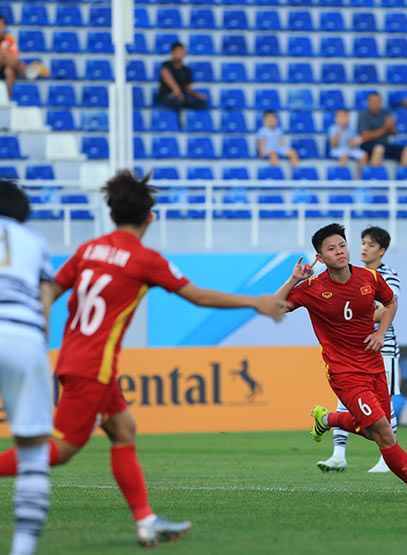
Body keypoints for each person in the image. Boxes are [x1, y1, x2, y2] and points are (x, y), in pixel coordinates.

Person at [0, 171, 289, 547]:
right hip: (95, 367)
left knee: (124, 429)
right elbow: (198, 297)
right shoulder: (145, 259)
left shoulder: (88, 250)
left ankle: (146, 520)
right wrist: (256, 301)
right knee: (61, 450)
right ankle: (145, 520)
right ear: (149, 218)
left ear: (112, 213)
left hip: (74, 356)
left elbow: (50, 291)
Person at [276, 223, 407, 503]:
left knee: (376, 433)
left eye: (342, 245)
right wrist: (294, 279)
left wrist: (380, 333)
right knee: (385, 434)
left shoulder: (369, 278)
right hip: (345, 373)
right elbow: (274, 307)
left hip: (375, 367)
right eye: (331, 249)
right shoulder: (312, 288)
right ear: (320, 256)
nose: (339, 252)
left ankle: (327, 418)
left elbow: (391, 304)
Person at [317, 226, 401, 473]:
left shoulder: (386, 275)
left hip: (382, 348)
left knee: (385, 406)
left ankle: (387, 456)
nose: (365, 248)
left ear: (382, 251)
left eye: (371, 245)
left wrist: (354, 317)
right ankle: (338, 454)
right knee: (347, 400)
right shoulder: (352, 274)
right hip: (352, 350)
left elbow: (388, 308)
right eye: (363, 243)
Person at [0, 181, 54, 555]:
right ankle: (22, 549)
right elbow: (45, 304)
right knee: (33, 452)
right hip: (23, 334)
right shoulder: (35, 242)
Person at [358, 92, 407, 168]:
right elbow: (366, 136)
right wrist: (385, 128)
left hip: (385, 144)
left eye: (377, 101)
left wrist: (391, 126)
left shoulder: (386, 114)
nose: (375, 104)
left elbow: (394, 133)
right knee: (379, 149)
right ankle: (376, 177)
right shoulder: (363, 115)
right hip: (368, 145)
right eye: (373, 102)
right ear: (368, 103)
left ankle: (404, 177)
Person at [0, 16, 45, 101]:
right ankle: (25, 70)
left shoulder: (10, 39)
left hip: (7, 66)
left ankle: (8, 99)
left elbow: (15, 57)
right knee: (2, 55)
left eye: (2, 25)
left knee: (9, 71)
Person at [157, 42, 208, 114]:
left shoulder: (186, 69)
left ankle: (194, 121)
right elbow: (166, 75)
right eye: (178, 51)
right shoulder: (166, 65)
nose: (181, 53)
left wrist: (197, 95)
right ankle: (177, 122)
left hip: (183, 95)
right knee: (176, 100)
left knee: (202, 102)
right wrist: (176, 90)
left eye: (182, 51)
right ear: (173, 52)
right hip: (168, 95)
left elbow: (187, 87)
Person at [328, 109, 367, 177]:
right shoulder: (333, 129)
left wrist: (354, 142)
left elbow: (351, 146)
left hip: (349, 149)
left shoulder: (351, 130)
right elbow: (334, 144)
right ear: (336, 119)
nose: (342, 119)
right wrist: (339, 132)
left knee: (363, 155)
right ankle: (341, 177)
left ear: (348, 119)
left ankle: (361, 179)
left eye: (344, 117)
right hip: (337, 150)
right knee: (344, 155)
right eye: (340, 117)